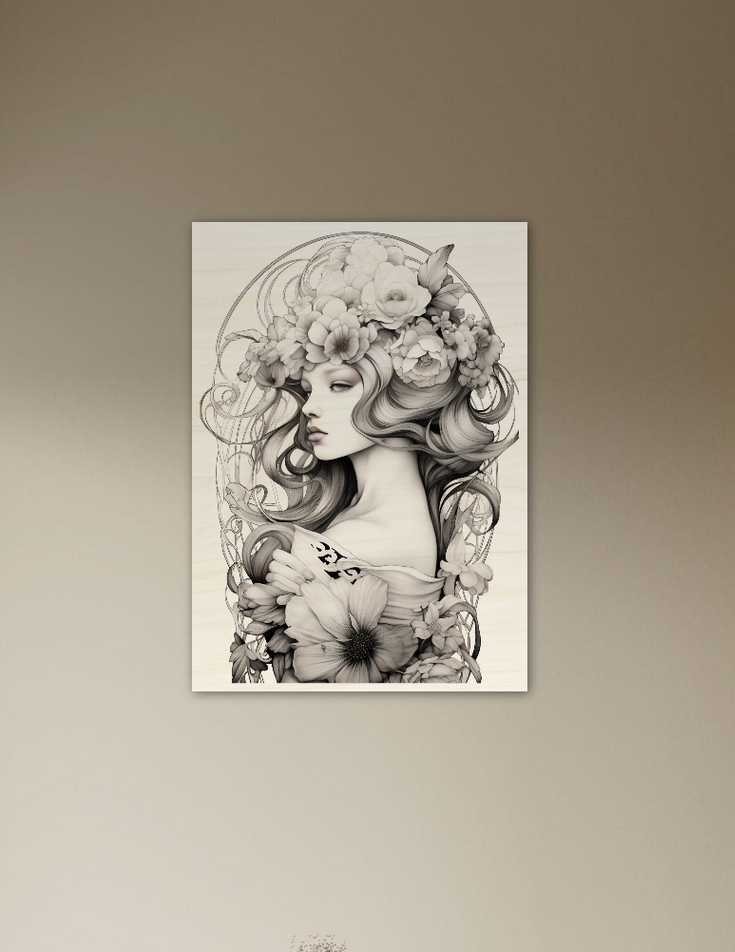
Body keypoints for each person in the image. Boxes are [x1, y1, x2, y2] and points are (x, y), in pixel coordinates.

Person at [204, 234, 517, 684]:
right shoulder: (363, 515)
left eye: (339, 385)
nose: (310, 407)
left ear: (399, 393)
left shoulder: (370, 536)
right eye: (309, 389)